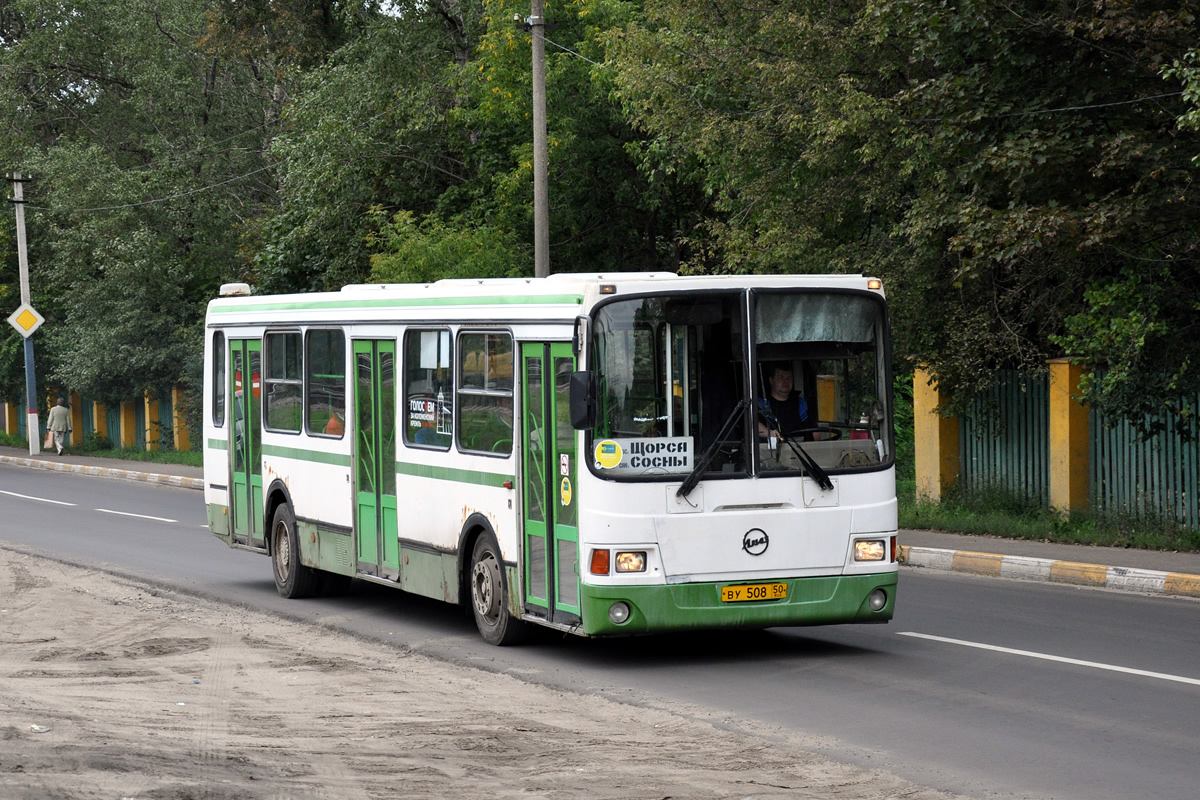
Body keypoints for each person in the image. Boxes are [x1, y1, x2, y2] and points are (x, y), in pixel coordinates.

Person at [757, 362, 811, 440]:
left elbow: (813, 431)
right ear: (771, 380)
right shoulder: (761, 403)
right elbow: (754, 425)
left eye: (789, 378)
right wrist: (770, 433)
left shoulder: (800, 403)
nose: (786, 381)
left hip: (800, 449)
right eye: (781, 377)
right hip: (771, 450)